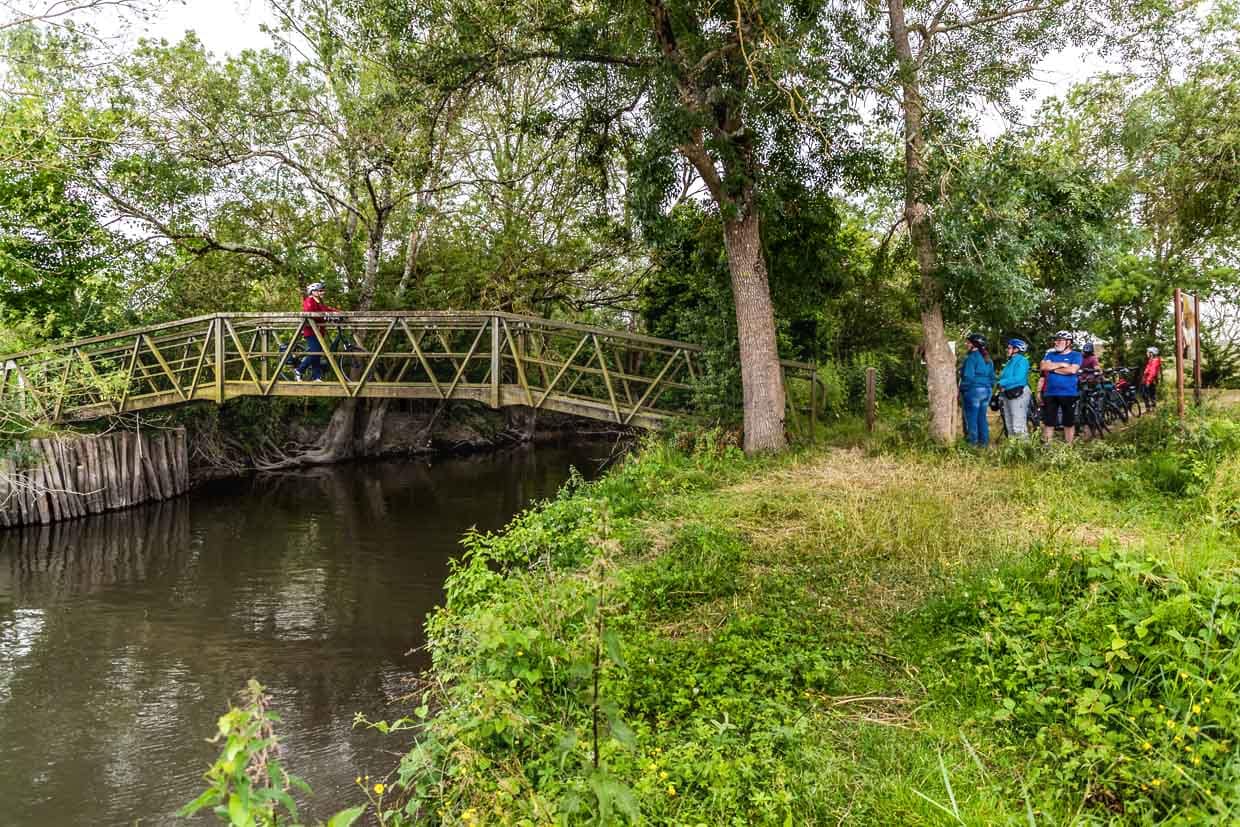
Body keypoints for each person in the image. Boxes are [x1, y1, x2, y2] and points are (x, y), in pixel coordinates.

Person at [1040, 330, 1082, 444]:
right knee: (1049, 422)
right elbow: (1044, 366)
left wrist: (1053, 369)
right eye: (1055, 340)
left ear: (1068, 342)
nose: (1056, 342)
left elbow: (1072, 370)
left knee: (1068, 422)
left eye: (1059, 340)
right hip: (1050, 393)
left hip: (1068, 393)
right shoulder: (1050, 354)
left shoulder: (1076, 355)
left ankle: (1069, 447)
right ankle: (1047, 447)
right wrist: (1062, 365)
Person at [296, 282, 339, 381]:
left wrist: (338, 312)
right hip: (311, 332)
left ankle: (316, 376)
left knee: (317, 353)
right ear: (313, 292)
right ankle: (299, 370)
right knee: (315, 352)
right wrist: (324, 316)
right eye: (319, 290)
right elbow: (309, 312)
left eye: (322, 290)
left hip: (318, 332)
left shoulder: (319, 302)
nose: (322, 292)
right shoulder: (309, 300)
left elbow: (327, 310)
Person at [959, 332, 996, 446]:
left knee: (971, 418)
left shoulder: (971, 358)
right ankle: (984, 443)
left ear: (974, 344)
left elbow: (968, 377)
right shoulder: (988, 359)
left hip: (973, 391)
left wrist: (962, 388)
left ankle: (972, 444)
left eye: (968, 342)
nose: (966, 344)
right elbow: (992, 378)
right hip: (986, 391)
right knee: (982, 418)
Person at [997, 338, 1031, 439]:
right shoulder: (1009, 362)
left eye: (1009, 348)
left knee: (1018, 423)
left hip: (1018, 394)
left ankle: (1025, 449)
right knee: (1009, 424)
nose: (1007, 350)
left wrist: (1002, 383)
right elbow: (1004, 377)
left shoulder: (1022, 361)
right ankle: (1013, 450)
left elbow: (1019, 377)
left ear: (1016, 349)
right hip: (1007, 393)